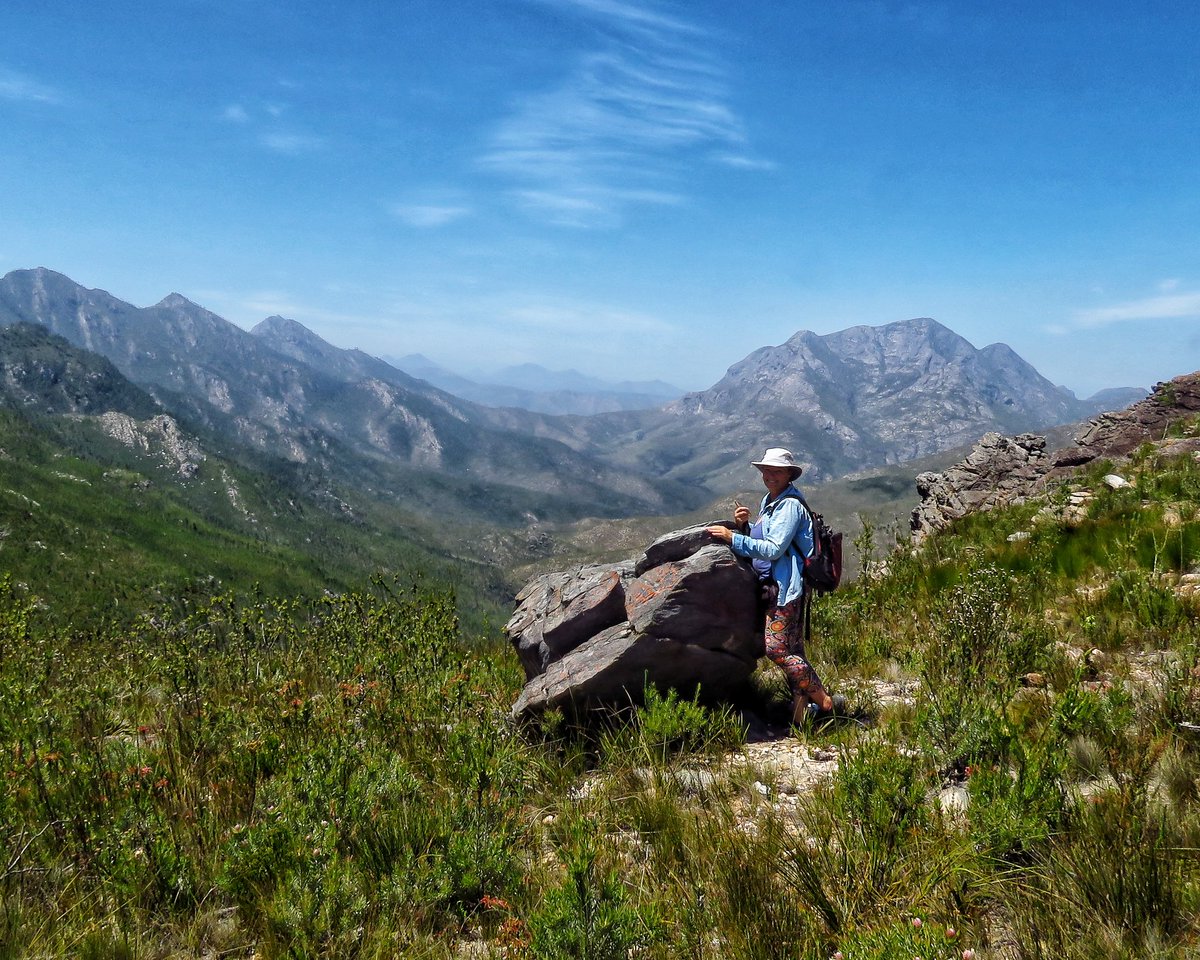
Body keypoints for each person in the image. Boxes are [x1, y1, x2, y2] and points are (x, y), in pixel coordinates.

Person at [705, 447, 839, 727]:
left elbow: (775, 548)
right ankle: (801, 718)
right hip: (778, 586)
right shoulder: (773, 501)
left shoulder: (789, 505)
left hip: (785, 589)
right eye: (766, 470)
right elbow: (772, 537)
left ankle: (823, 701)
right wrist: (746, 526)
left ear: (790, 474)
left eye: (776, 471)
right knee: (793, 651)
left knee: (778, 650)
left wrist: (733, 539)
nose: (769, 475)